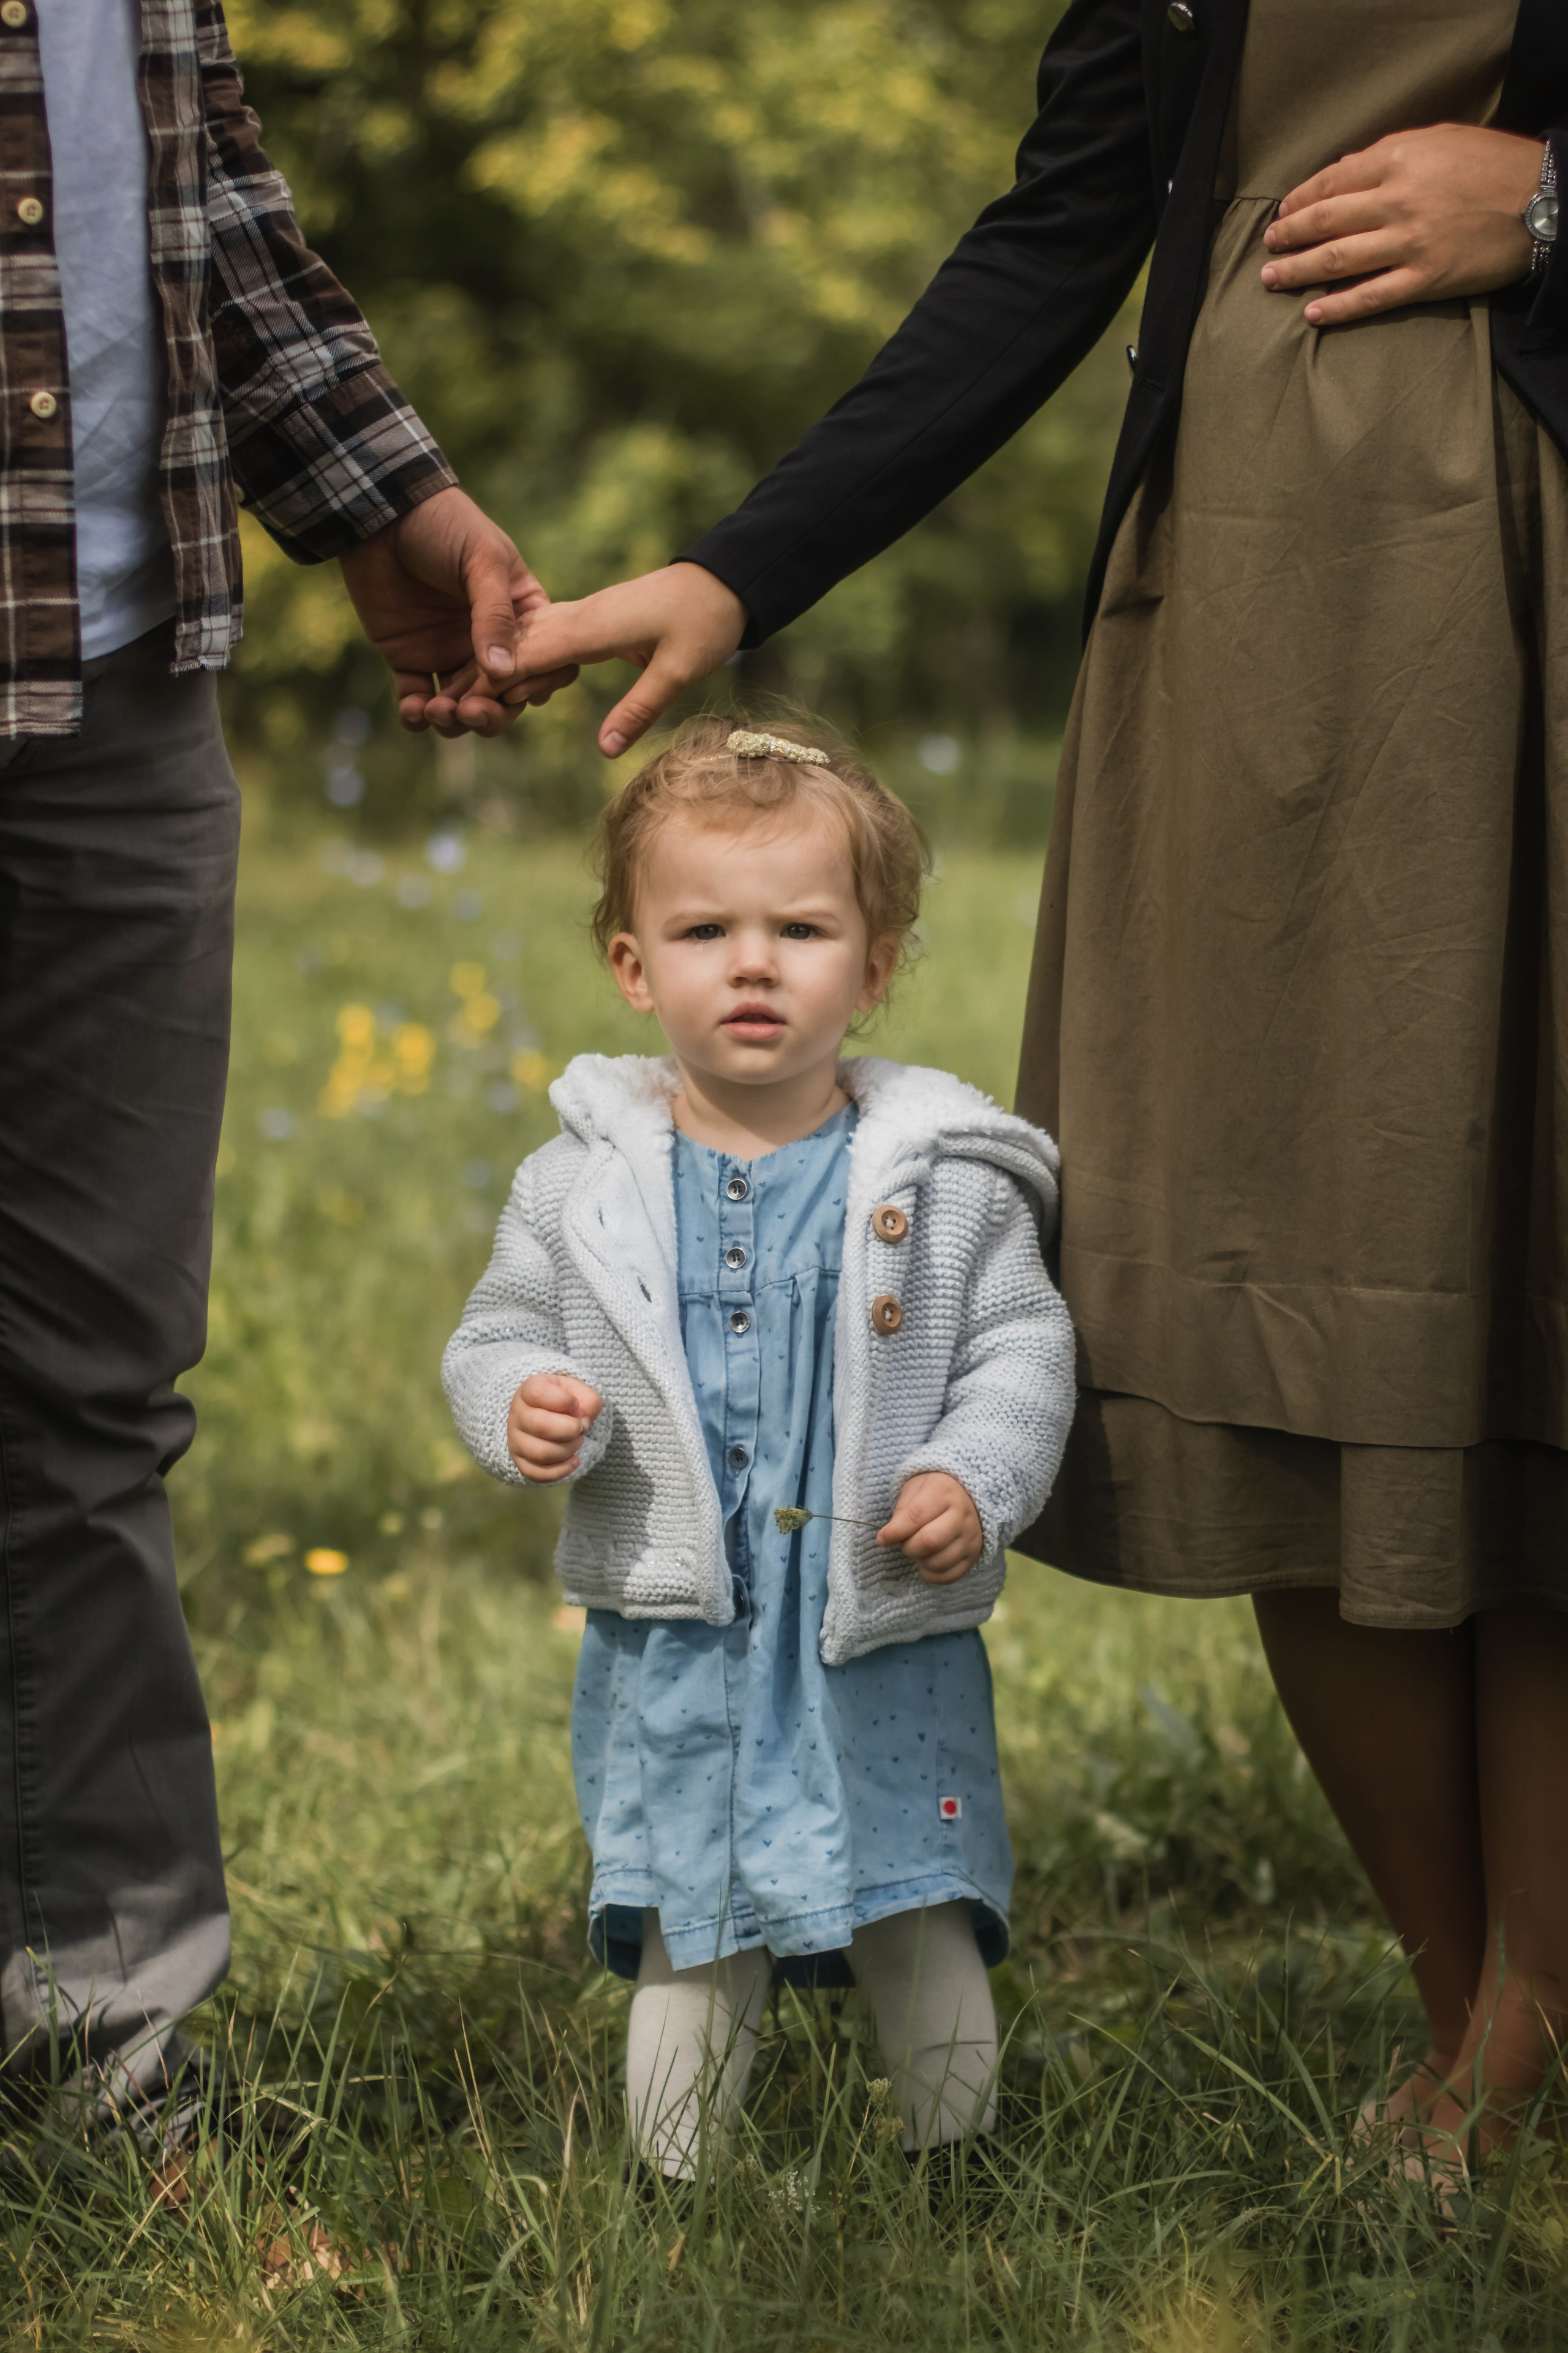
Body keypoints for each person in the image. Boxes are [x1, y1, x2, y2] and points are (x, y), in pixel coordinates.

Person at [504, 0, 1568, 2186]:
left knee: (1537, 1283)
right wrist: (742, 563)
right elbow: (1061, 227)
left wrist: (1558, 202)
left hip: (1546, 584)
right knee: (1282, 1307)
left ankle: (1531, 2016)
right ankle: (1472, 2011)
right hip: (1250, 623)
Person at [0, 0, 573, 2134]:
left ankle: (102, 2060)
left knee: (84, 1395)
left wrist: (385, 498)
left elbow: (198, 170)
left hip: (119, 663)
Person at [443, 718, 1074, 2177]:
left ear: (875, 963)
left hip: (874, 1623)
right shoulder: (580, 1187)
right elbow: (492, 1332)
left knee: (913, 1886)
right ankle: (676, 2190)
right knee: (688, 1903)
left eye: (799, 928)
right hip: (686, 1637)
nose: (751, 962)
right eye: (703, 928)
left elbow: (1021, 1350)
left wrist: (971, 1476)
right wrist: (523, 1392)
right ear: (630, 963)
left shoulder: (941, 1183)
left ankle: (955, 2169)